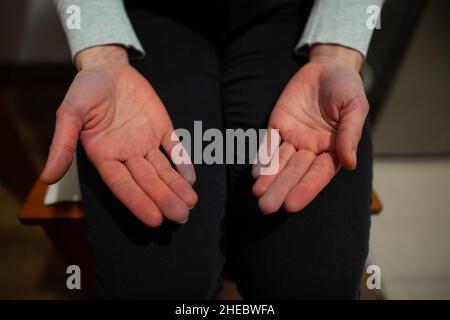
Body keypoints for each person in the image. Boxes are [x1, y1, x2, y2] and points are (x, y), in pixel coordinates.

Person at [42, 0, 383, 299]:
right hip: (146, 18)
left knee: (310, 281)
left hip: (293, 20)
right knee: (163, 282)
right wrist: (102, 54)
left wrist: (336, 53)